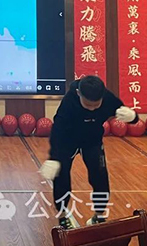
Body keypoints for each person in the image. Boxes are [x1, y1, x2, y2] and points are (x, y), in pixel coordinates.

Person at [38, 75, 137, 229]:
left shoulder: (107, 97)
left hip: (92, 141)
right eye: (88, 105)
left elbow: (124, 112)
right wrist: (53, 157)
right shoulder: (69, 102)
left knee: (100, 177)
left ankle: (99, 214)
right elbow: (57, 130)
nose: (92, 109)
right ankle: (63, 216)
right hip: (67, 142)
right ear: (79, 93)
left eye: (96, 105)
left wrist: (133, 117)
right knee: (61, 178)